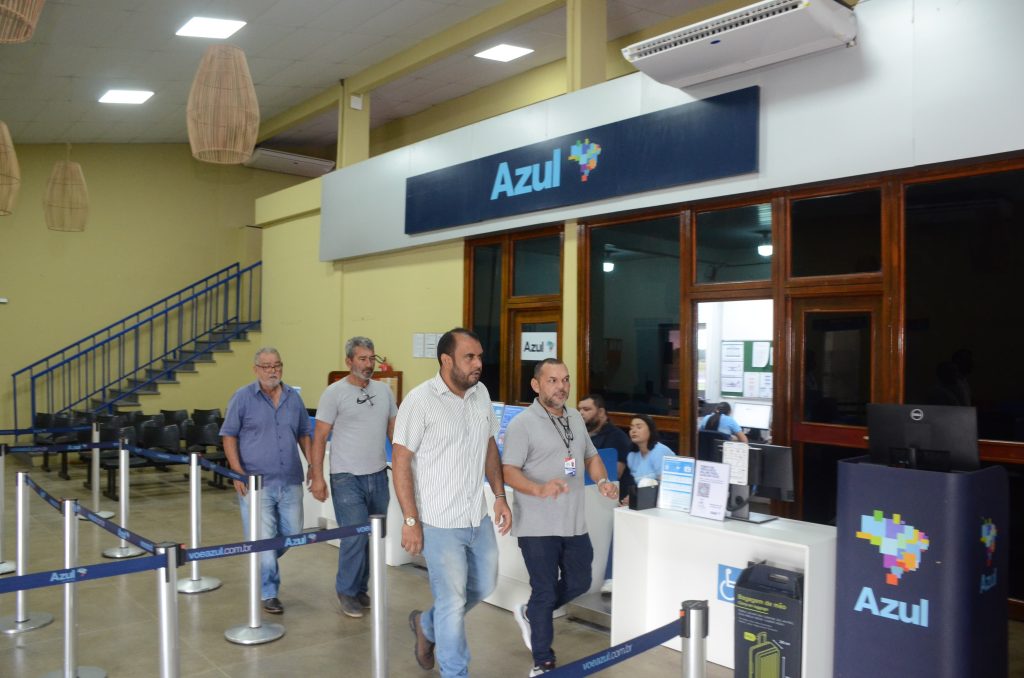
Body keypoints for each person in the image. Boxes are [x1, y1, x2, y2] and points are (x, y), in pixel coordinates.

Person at [392, 328, 513, 678]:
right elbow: (401, 461)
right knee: (452, 600)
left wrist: (500, 496)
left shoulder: (481, 394)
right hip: (438, 522)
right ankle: (455, 672)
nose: (478, 364)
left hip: (477, 517)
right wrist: (411, 520)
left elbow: (490, 445)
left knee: (484, 585)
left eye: (479, 356)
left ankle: (426, 626)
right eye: (469, 357)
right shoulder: (419, 401)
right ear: (446, 361)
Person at [504, 360, 618, 676]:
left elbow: (590, 456)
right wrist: (538, 489)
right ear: (536, 385)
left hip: (572, 523)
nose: (561, 386)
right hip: (537, 525)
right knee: (544, 589)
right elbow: (509, 471)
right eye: (552, 380)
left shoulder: (574, 419)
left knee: (580, 580)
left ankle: (531, 614)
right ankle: (543, 661)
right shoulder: (522, 424)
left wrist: (603, 481)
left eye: (565, 379)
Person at [309, 336, 397, 619]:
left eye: (372, 359)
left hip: (377, 476)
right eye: (362, 359)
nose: (369, 364)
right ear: (349, 361)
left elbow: (393, 431)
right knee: (355, 535)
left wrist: (403, 464)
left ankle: (360, 588)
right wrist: (318, 477)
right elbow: (320, 436)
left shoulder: (384, 392)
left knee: (373, 537)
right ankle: (346, 590)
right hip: (346, 477)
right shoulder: (334, 393)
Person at [220, 347, 312, 615]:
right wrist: (237, 472)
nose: (272, 370)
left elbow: (304, 433)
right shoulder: (243, 397)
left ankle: (262, 558)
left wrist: (314, 467)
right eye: (266, 366)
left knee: (293, 533)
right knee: (263, 539)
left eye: (277, 365)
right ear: (255, 369)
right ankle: (269, 591)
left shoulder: (293, 398)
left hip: (290, 479)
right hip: (255, 484)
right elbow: (229, 436)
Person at [577, 393, 631, 594]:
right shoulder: (580, 435)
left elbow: (615, 472)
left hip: (613, 500)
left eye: (587, 409)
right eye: (580, 409)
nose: (581, 413)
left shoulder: (616, 437)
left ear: (601, 412)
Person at [625, 414, 675, 490]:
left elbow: (667, 486)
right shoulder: (631, 456)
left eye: (639, 427)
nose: (633, 431)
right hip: (645, 497)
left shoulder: (659, 451)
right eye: (631, 428)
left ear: (650, 430)